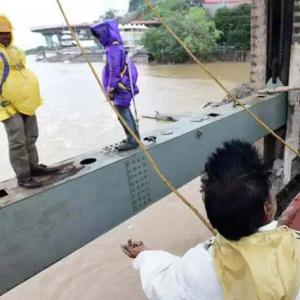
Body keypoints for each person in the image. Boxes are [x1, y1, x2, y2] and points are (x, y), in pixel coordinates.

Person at [122, 140, 300, 300]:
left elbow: (161, 284)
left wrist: (144, 255)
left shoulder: (199, 265)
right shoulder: (295, 251)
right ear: (267, 208)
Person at [0, 15, 58, 188]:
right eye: (1, 34)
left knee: (31, 136)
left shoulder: (15, 50)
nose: (5, 37)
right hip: (7, 105)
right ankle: (23, 176)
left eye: (7, 33)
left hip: (26, 103)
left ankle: (33, 167)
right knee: (17, 141)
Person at [90, 19, 140, 152]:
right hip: (123, 87)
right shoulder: (116, 47)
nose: (99, 38)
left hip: (120, 88)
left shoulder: (113, 49)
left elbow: (114, 72)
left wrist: (110, 89)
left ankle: (132, 141)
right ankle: (134, 137)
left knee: (123, 114)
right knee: (125, 112)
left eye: (99, 35)